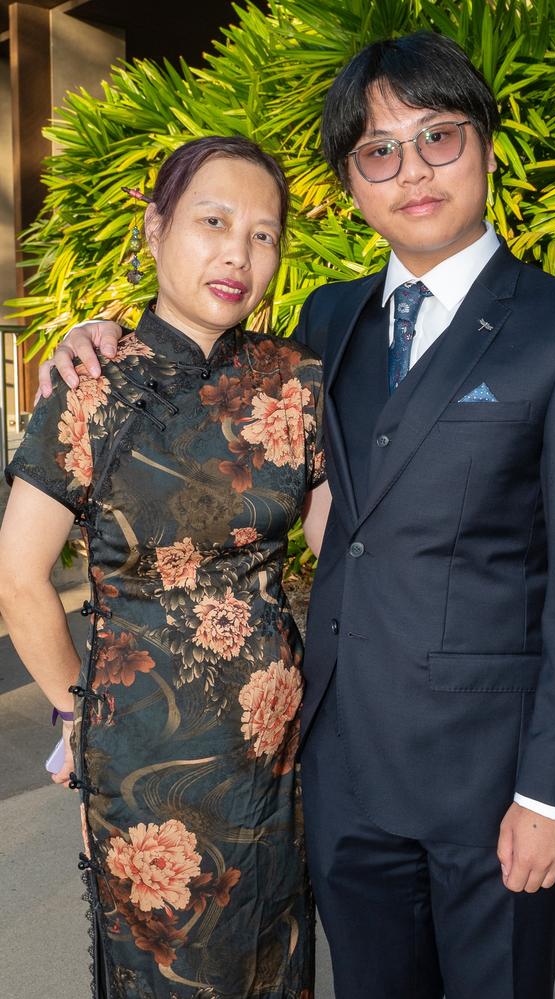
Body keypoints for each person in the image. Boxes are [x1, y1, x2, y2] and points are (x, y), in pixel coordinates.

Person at [38, 31, 555, 999]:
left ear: (484, 143)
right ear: (350, 183)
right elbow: (203, 392)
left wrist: (553, 796)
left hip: (490, 787)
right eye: (377, 151)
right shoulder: (326, 321)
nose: (410, 171)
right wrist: (94, 340)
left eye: (437, 137)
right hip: (338, 778)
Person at [0, 135, 331, 999]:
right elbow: (18, 577)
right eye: (213, 221)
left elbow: (346, 552)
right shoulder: (94, 382)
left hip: (274, 753)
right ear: (155, 229)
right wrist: (82, 716)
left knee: (273, 959)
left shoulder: (295, 382)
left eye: (264, 234)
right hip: (141, 758)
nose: (238, 252)